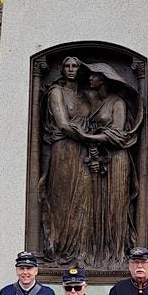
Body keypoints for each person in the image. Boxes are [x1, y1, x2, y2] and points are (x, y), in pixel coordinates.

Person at [82, 63, 140, 265]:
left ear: (103, 78)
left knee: (116, 205)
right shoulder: (97, 103)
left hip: (117, 160)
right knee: (99, 205)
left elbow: (117, 133)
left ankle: (117, 253)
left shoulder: (118, 103)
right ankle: (100, 252)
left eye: (93, 76)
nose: (90, 79)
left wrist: (89, 137)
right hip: (101, 160)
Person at [42, 56, 93, 265]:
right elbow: (63, 124)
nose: (71, 69)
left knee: (83, 199)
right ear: (62, 69)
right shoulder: (56, 92)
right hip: (63, 150)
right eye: (67, 66)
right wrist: (92, 138)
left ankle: (80, 253)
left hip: (83, 152)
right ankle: (61, 250)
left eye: (75, 66)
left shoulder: (86, 96)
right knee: (62, 201)